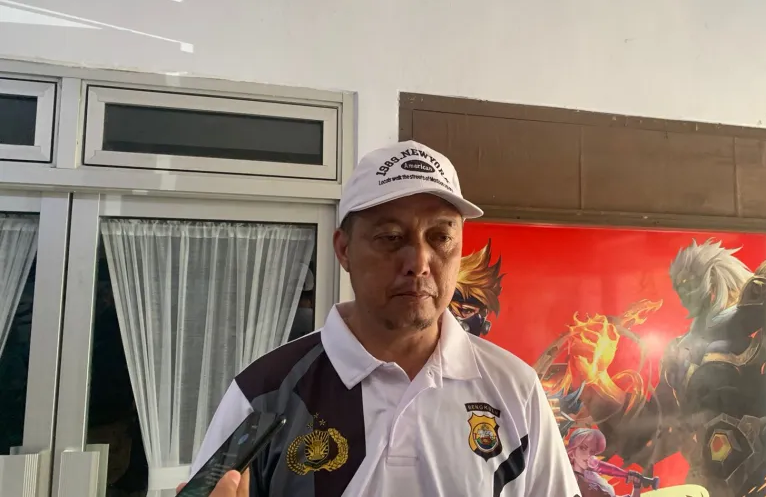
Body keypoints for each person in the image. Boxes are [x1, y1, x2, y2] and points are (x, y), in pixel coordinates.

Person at [181, 141, 582, 496]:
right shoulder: (263, 394)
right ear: (344, 250)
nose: (419, 262)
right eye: (390, 237)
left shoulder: (515, 390)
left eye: (441, 238)